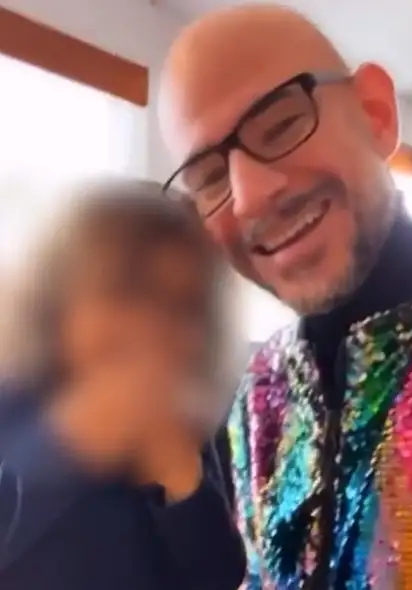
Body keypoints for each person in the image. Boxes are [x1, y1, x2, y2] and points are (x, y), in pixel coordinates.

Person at [157, 4, 412, 586]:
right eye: (210, 178)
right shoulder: (259, 385)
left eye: (281, 124)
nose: (248, 198)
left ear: (375, 114)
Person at [0, 181, 245, 589]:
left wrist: (181, 476)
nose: (150, 326)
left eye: (183, 306)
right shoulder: (18, 400)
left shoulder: (189, 422)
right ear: (58, 298)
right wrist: (65, 444)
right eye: (127, 291)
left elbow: (219, 575)